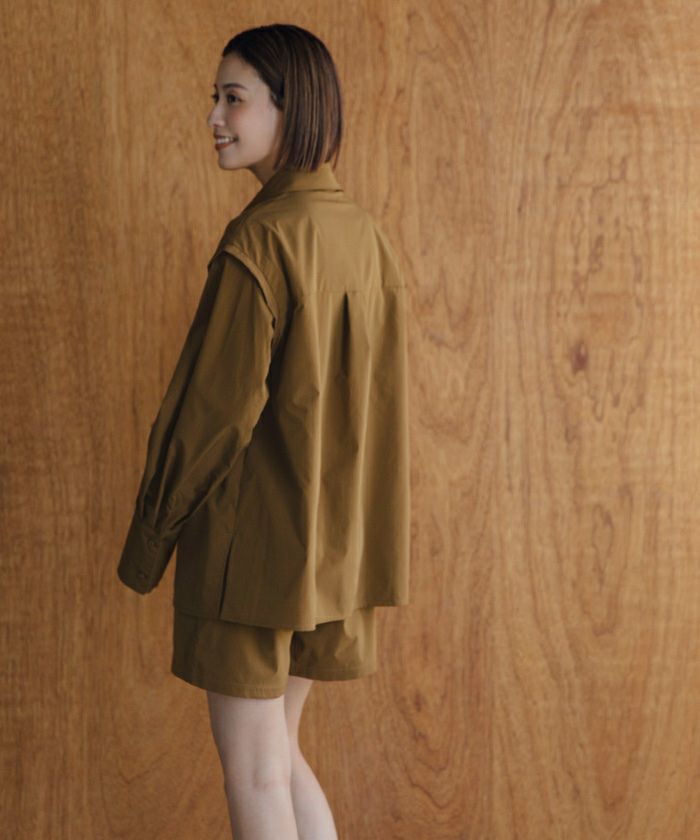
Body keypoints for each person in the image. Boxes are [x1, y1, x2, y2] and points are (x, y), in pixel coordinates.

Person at [117, 23, 410, 840]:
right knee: (277, 755)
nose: (214, 117)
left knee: (254, 770)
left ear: (291, 108)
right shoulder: (366, 238)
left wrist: (149, 543)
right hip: (329, 553)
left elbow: (210, 417)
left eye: (234, 99)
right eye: (215, 98)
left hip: (251, 558)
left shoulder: (261, 239)